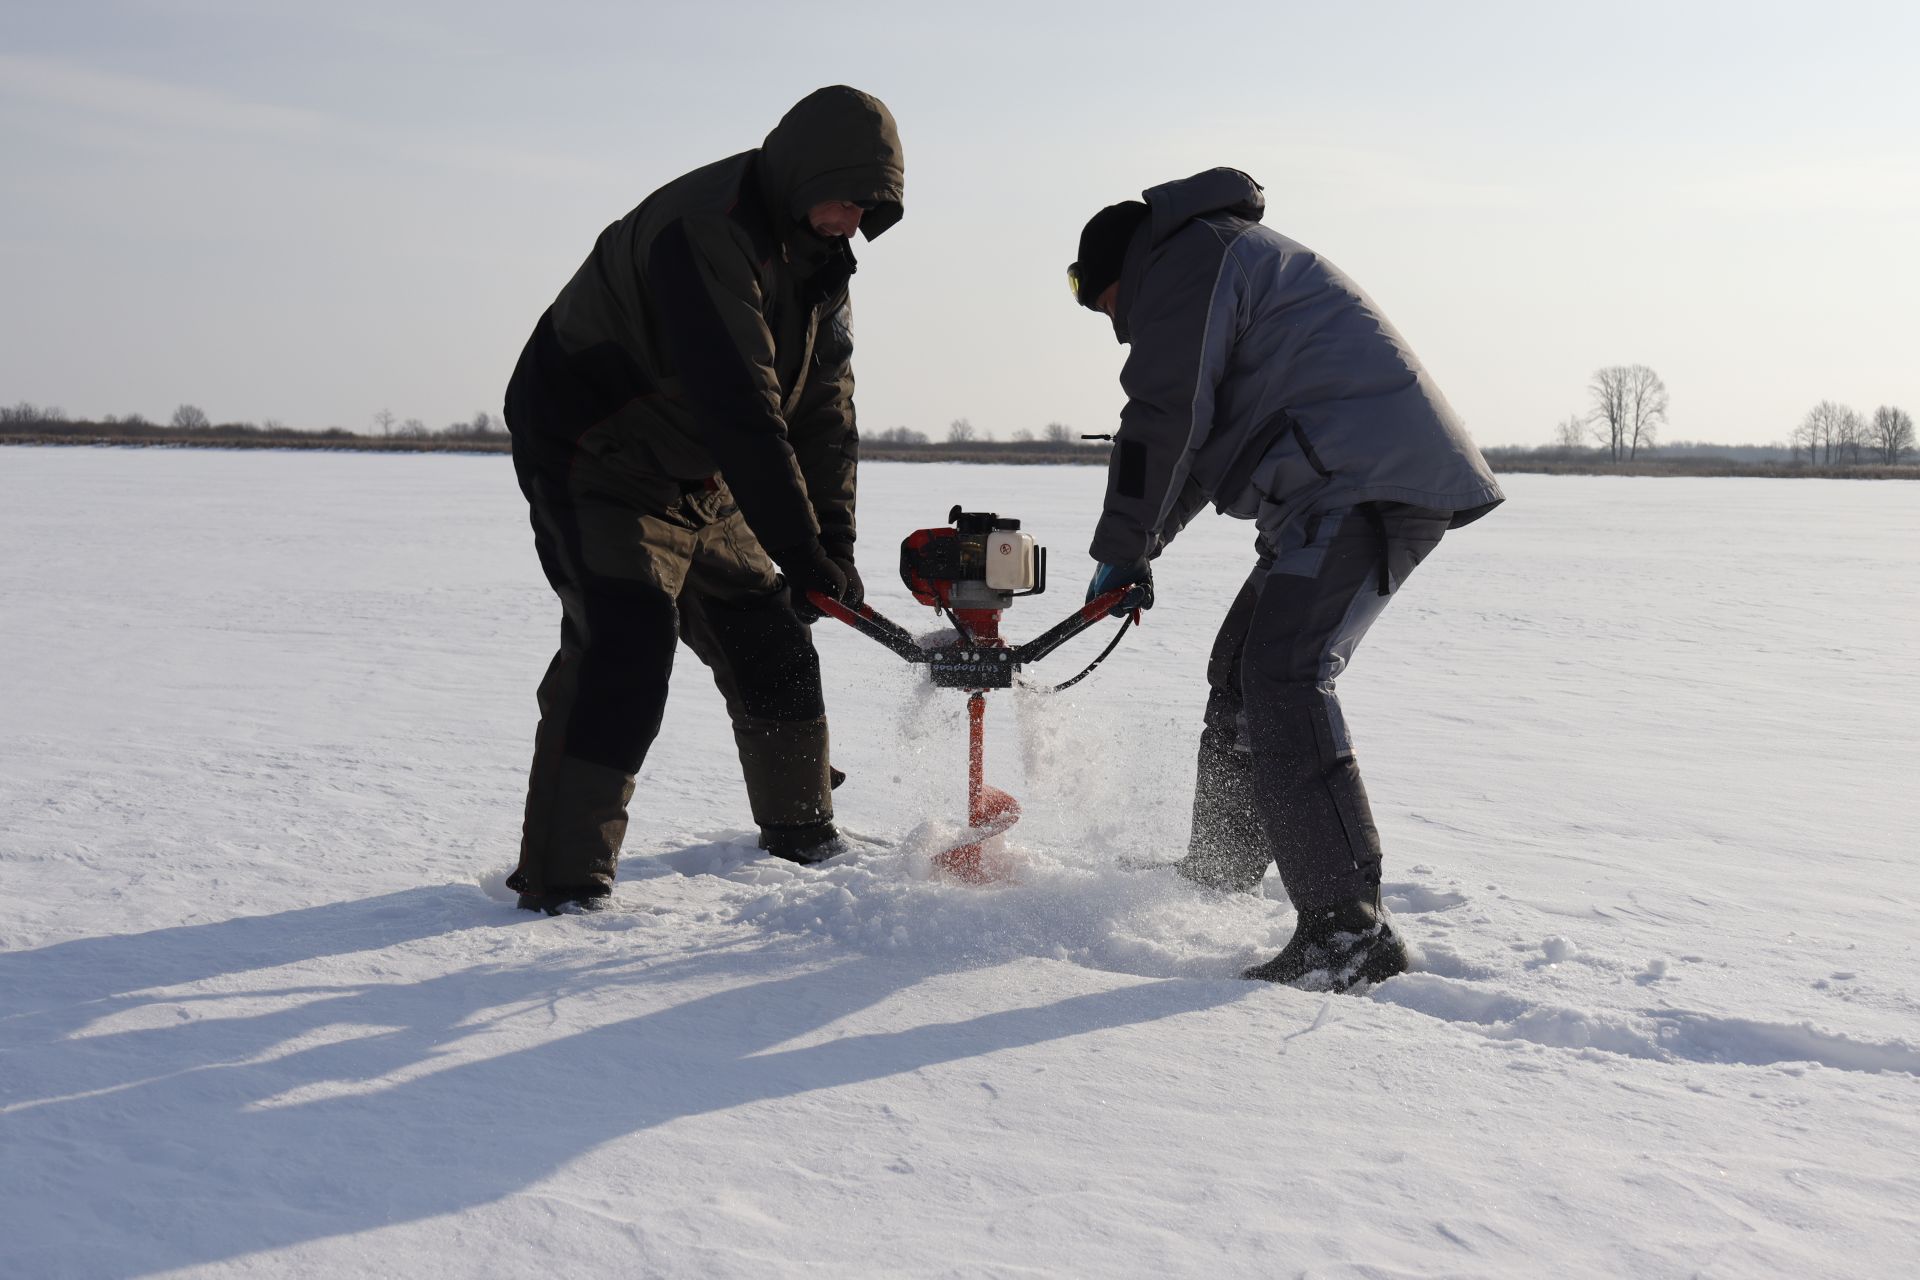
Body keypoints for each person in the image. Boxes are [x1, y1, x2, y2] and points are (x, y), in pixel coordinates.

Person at [1068, 168, 1503, 989]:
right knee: (1241, 668)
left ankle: (1349, 928)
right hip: (1335, 486)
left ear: (1121, 274)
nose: (1117, 331)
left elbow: (1163, 417)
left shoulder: (1189, 261)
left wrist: (1124, 544)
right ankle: (1223, 867)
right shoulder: (1218, 257)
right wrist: (1140, 544)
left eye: (1105, 309)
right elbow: (1196, 444)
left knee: (1285, 674)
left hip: (1365, 481)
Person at [501, 86, 904, 914]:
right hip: (597, 455)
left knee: (773, 637)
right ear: (802, 175)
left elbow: (825, 410)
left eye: (870, 209)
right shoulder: (706, 229)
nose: (853, 221)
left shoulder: (822, 263)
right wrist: (802, 552)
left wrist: (832, 549)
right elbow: (742, 410)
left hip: (703, 471)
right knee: (625, 643)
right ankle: (565, 883)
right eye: (845, 200)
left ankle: (803, 830)